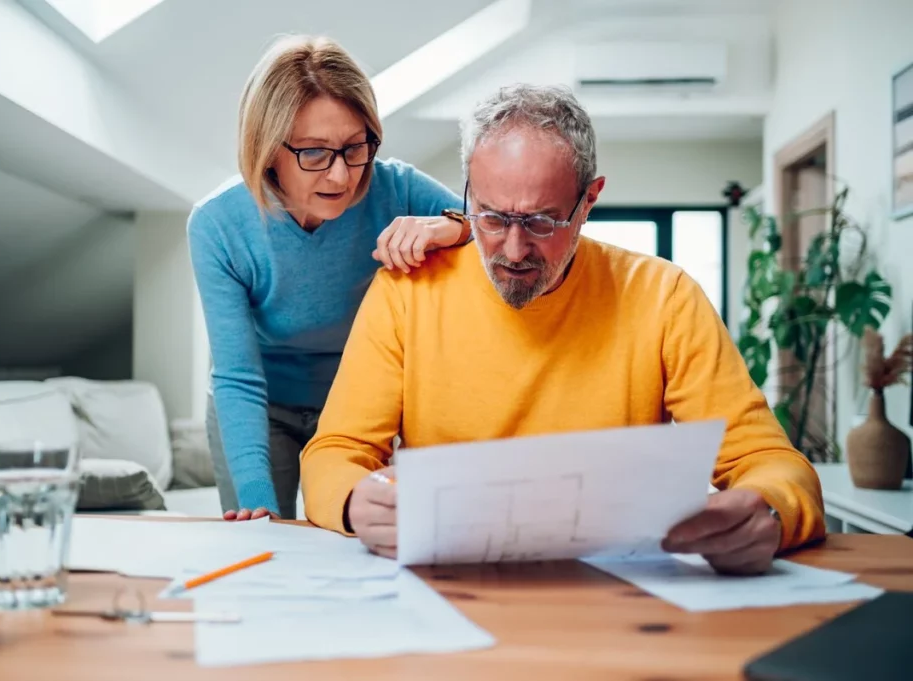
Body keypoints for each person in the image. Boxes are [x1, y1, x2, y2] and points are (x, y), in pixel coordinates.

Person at [299, 84, 825, 575]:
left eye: (542, 222)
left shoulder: (663, 296)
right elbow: (333, 452)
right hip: (451, 586)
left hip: (618, 589)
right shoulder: (407, 292)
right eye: (490, 216)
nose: (512, 249)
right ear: (466, 194)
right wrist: (353, 501)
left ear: (589, 200)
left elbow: (770, 461)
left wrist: (771, 511)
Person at [189, 35, 467, 521]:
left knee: (356, 541)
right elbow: (237, 376)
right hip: (260, 406)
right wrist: (255, 500)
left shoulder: (394, 186)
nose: (341, 176)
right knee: (261, 542)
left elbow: (495, 226)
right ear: (266, 148)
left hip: (356, 408)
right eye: (314, 153)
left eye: (355, 147)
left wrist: (450, 226)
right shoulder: (217, 224)